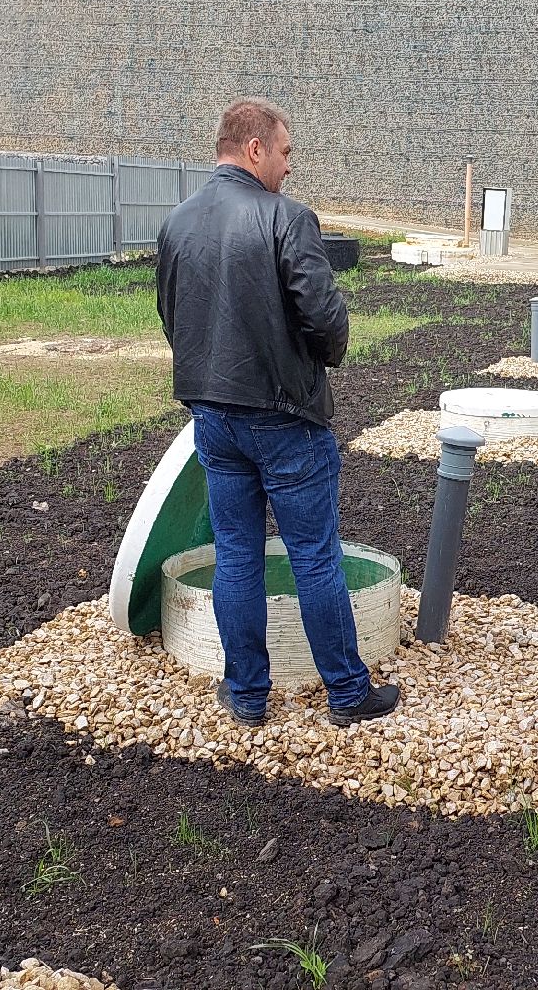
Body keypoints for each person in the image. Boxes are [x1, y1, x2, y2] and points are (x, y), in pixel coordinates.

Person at [156, 97, 400, 728]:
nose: (291, 167)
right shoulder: (288, 219)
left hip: (213, 414)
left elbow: (173, 319)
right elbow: (327, 323)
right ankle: (348, 694)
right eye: (286, 152)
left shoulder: (178, 222)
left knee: (236, 551)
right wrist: (322, 354)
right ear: (255, 149)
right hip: (286, 416)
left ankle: (246, 695)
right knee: (313, 555)